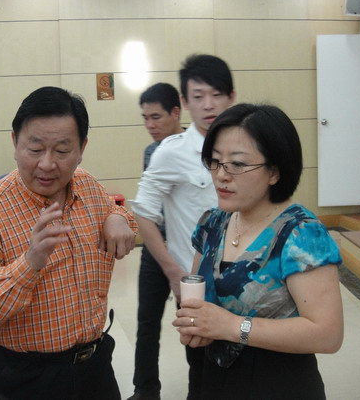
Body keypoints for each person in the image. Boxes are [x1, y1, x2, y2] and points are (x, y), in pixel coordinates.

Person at [0, 86, 138, 400]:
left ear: (82, 148)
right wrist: (30, 264)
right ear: (15, 143)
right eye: (35, 149)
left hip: (95, 366)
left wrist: (118, 218)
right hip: (26, 375)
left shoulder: (87, 186)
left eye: (62, 151)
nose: (48, 164)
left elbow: (116, 213)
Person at [173, 103, 344, 399]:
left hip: (278, 384)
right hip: (212, 379)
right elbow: (200, 297)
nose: (221, 175)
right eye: (215, 161)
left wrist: (231, 326)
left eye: (237, 164)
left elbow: (328, 334)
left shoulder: (300, 234)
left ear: (274, 171)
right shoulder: (213, 223)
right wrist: (196, 325)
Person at [130, 55, 236, 400]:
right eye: (199, 96)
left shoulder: (247, 146)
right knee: (201, 366)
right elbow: (143, 212)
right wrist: (173, 271)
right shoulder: (170, 153)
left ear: (231, 97)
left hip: (240, 275)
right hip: (196, 281)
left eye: (216, 95)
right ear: (185, 102)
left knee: (240, 364)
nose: (209, 105)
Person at [131, 82, 184, 399]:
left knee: (193, 324)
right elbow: (150, 207)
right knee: (147, 322)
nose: (150, 125)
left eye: (156, 117)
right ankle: (145, 389)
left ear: (176, 112)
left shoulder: (198, 149)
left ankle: (202, 387)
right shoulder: (151, 153)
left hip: (188, 251)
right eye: (145, 118)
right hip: (155, 248)